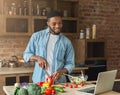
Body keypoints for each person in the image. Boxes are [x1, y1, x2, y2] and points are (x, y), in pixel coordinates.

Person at [23, 10, 75, 83]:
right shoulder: (36, 37)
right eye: (54, 24)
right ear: (48, 23)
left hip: (59, 83)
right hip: (39, 82)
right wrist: (38, 58)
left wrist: (61, 72)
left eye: (59, 23)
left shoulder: (67, 42)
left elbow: (70, 64)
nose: (57, 26)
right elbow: (26, 55)